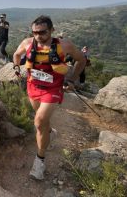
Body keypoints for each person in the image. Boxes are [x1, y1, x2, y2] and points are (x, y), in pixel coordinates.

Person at [13, 15, 86, 180]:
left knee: (38, 121)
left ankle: (39, 162)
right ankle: (50, 132)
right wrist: (16, 69)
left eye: (43, 32)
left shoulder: (64, 45)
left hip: (53, 88)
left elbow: (81, 60)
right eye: (35, 32)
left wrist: (72, 79)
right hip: (33, 86)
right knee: (43, 122)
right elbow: (16, 55)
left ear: (52, 30)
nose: (38, 36)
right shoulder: (27, 43)